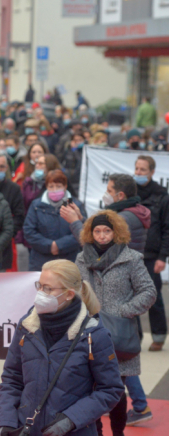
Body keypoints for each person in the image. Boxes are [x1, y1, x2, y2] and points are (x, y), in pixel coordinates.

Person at [0, 260, 124, 436]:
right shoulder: (27, 326)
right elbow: (12, 378)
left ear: (69, 294)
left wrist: (70, 420)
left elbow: (110, 389)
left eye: (48, 289)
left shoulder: (95, 334)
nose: (40, 293)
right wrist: (6, 421)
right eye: (39, 286)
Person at [75, 211, 157, 435]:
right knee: (89, 389)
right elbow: (75, 291)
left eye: (107, 231)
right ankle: (97, 431)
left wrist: (123, 311)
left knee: (115, 390)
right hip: (88, 332)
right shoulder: (82, 259)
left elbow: (149, 291)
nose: (102, 235)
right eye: (98, 231)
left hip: (118, 335)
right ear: (91, 233)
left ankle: (118, 432)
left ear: (115, 232)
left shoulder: (131, 258)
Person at [133, 156, 169, 352]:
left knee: (153, 298)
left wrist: (162, 257)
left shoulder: (162, 196)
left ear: (152, 172)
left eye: (142, 170)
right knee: (130, 299)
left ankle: (159, 336)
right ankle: (134, 338)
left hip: (152, 256)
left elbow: (167, 229)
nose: (138, 173)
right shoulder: (130, 195)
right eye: (136, 169)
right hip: (131, 254)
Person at [24, 170, 86, 271]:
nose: (55, 190)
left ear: (65, 187)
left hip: (69, 260)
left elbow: (81, 231)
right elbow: (29, 231)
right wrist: (49, 246)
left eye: (58, 186)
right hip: (40, 261)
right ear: (46, 187)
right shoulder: (36, 205)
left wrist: (59, 245)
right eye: (51, 186)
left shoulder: (74, 205)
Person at [0, 152, 26, 270]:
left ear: (6, 168)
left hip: (3, 246)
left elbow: (19, 216)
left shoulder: (13, 188)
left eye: (2, 166)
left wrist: (6, 235)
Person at [61, 131, 85, 198]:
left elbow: (80, 162)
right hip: (70, 178)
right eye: (75, 140)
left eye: (80, 140)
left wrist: (75, 151)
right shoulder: (68, 150)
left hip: (80, 180)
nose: (78, 142)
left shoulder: (85, 150)